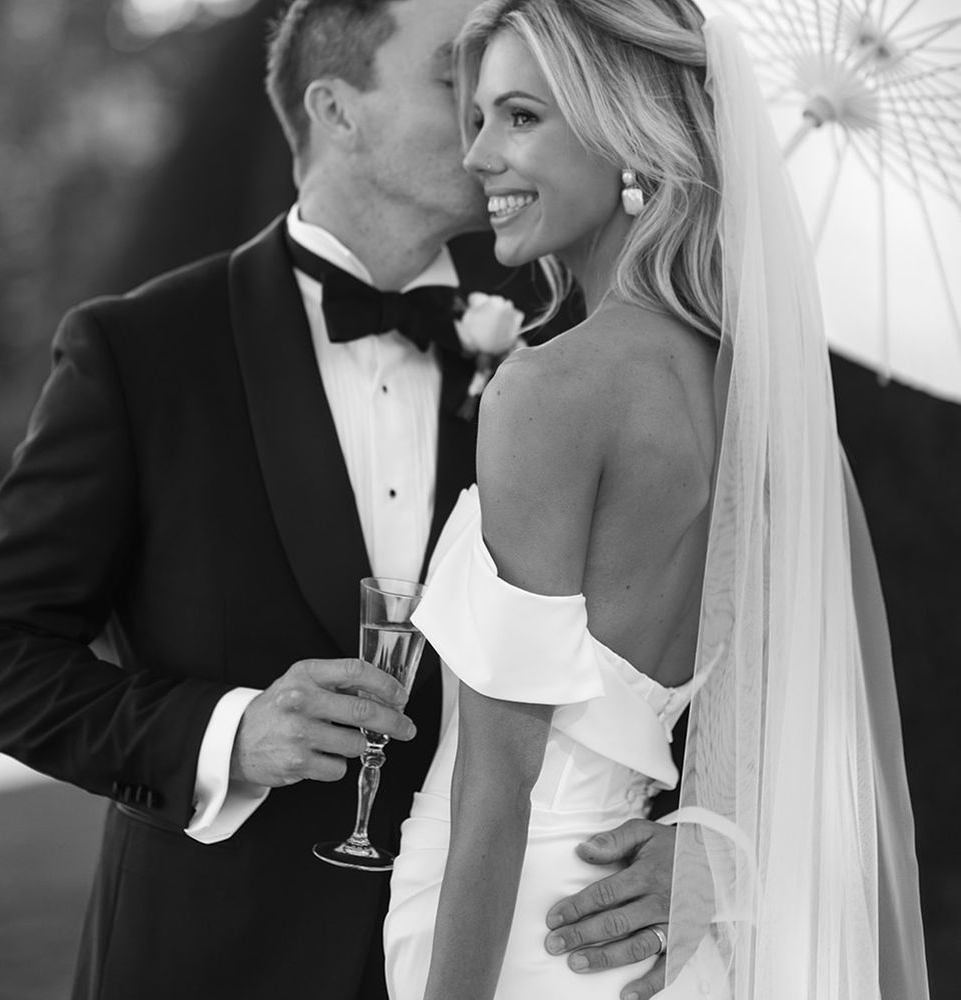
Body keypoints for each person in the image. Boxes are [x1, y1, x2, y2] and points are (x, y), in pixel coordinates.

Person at [0, 1, 679, 998]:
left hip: (498, 945)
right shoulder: (141, 352)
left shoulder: (555, 364)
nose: (485, 120)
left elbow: (658, 635)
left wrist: (691, 836)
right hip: (208, 963)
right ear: (337, 110)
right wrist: (229, 732)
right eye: (450, 80)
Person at [383, 1, 930, 999]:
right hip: (653, 932)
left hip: (527, 929)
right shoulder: (757, 405)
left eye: (518, 118)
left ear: (624, 134)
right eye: (475, 120)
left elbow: (494, 789)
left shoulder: (551, 390)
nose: (478, 157)